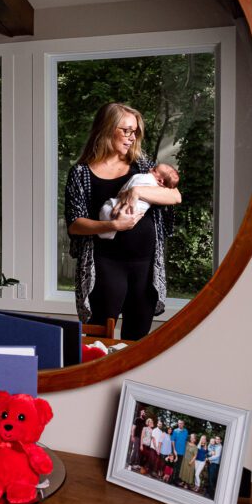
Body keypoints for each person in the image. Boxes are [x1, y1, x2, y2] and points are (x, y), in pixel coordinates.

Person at [64, 103, 181, 339]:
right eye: (126, 130)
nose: (132, 137)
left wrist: (137, 191)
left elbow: (175, 196)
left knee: (137, 338)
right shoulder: (81, 173)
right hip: (106, 264)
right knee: (100, 336)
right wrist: (113, 225)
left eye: (134, 132)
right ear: (107, 129)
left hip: (145, 265)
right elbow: (75, 224)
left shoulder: (142, 165)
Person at [97, 164, 180, 239]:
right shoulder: (153, 181)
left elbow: (177, 197)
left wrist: (136, 191)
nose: (150, 169)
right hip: (111, 225)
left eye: (154, 170)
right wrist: (115, 225)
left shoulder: (144, 167)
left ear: (160, 181)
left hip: (120, 213)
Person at [171, 419, 189, 486]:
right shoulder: (175, 431)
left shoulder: (186, 431)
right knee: (174, 466)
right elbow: (172, 440)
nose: (180, 424)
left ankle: (175, 481)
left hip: (182, 452)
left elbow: (186, 441)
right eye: (179, 423)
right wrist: (174, 450)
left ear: (183, 424)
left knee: (178, 467)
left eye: (181, 423)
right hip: (175, 452)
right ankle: (171, 480)